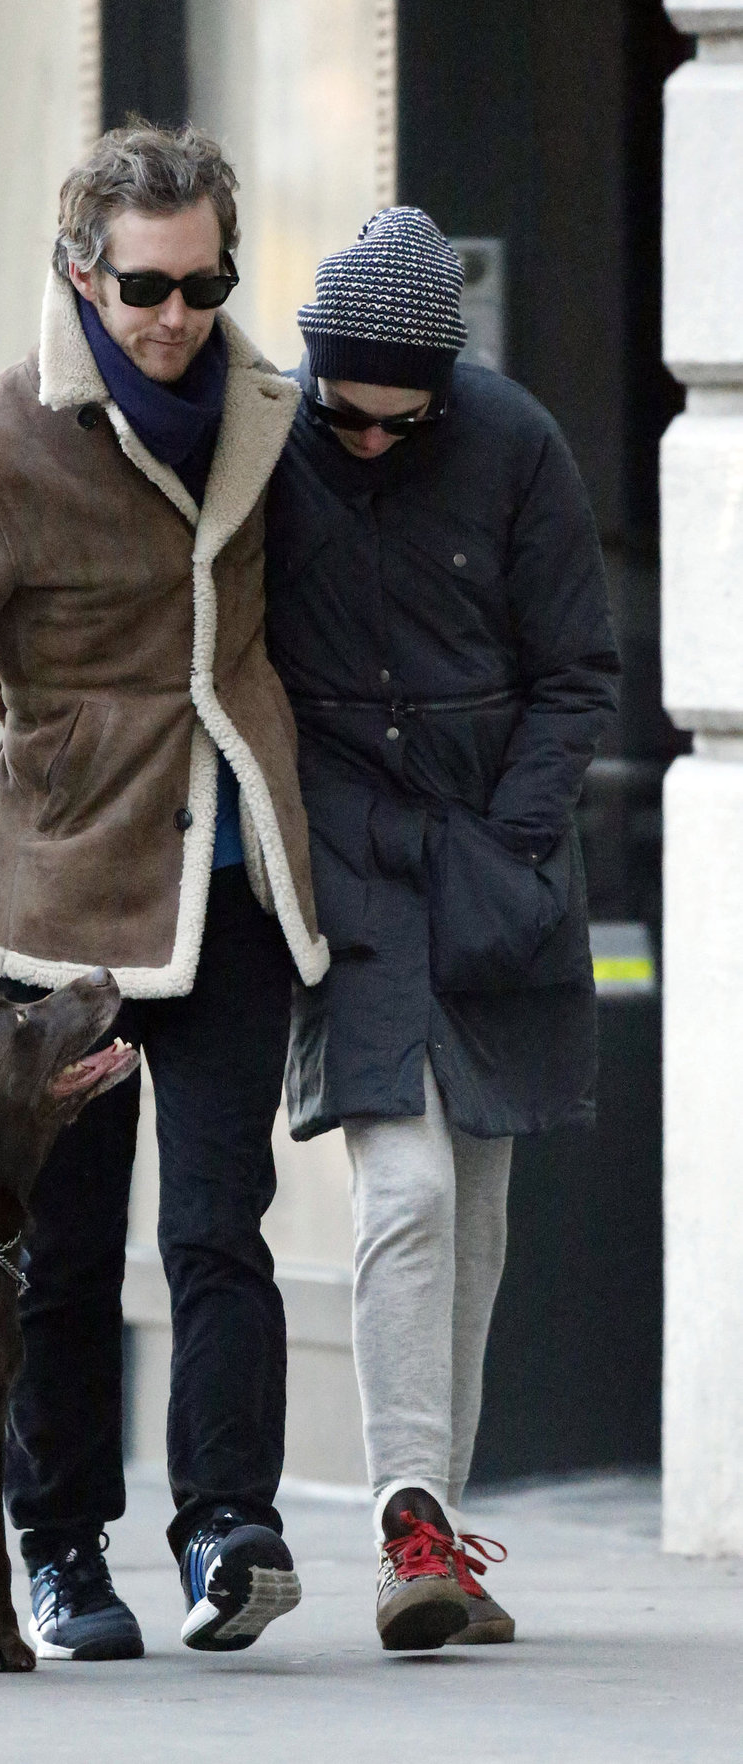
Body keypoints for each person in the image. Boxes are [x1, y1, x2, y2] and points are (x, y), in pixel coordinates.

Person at [0, 122, 329, 1662]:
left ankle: (229, 1531)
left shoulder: (271, 411)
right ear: (80, 271)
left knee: (219, 1227)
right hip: (69, 905)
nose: (178, 315)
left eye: (205, 283)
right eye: (146, 288)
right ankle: (63, 1549)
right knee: (59, 1252)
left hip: (237, 877)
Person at [263, 207, 620, 1651]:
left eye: (391, 426)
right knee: (402, 1187)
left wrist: (516, 840)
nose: (359, 444)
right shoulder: (277, 445)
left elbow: (578, 671)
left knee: (475, 1209)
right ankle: (408, 1514)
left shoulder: (519, 444)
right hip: (350, 859)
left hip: (496, 857)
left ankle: (438, 1548)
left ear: (444, 392)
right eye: (340, 416)